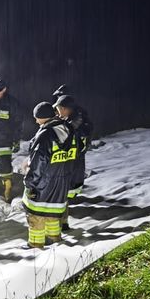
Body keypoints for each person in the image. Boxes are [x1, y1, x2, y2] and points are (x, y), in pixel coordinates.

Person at [22, 102, 77, 248]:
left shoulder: (45, 135)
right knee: (53, 215)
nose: (35, 121)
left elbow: (38, 163)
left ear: (43, 117)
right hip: (61, 182)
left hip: (43, 184)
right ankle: (55, 241)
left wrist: (30, 184)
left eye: (37, 118)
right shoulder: (68, 130)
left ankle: (35, 245)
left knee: (36, 216)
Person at [53, 90, 93, 229]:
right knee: (64, 194)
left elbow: (67, 134)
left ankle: (63, 223)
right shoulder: (74, 117)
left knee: (64, 192)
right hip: (72, 161)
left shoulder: (76, 121)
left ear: (65, 109)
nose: (57, 113)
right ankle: (64, 220)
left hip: (72, 162)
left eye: (58, 110)